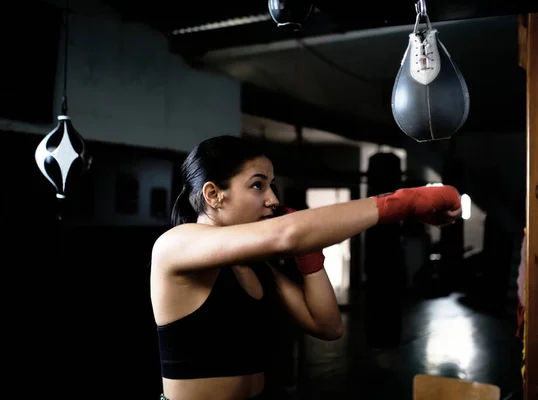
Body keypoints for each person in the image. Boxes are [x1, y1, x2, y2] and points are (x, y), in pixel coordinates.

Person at [150, 135, 462, 400]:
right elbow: (287, 233)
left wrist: (309, 252)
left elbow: (327, 326)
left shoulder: (256, 266)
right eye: (258, 186)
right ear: (214, 194)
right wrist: (403, 203)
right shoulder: (174, 246)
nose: (273, 198)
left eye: (271, 185)